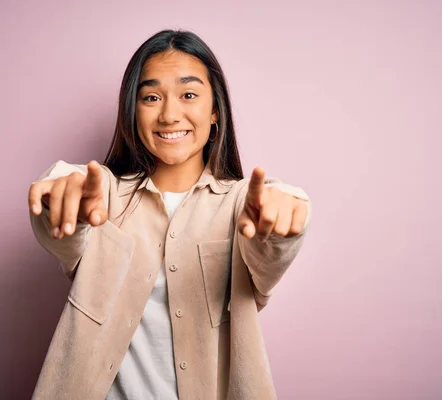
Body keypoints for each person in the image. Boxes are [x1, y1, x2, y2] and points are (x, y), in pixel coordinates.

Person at [28, 29, 311, 400]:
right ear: (133, 111)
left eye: (189, 94)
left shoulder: (243, 205)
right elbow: (65, 220)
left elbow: (270, 249)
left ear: (214, 112)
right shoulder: (104, 197)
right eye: (151, 97)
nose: (169, 114)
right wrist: (62, 191)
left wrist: (284, 220)